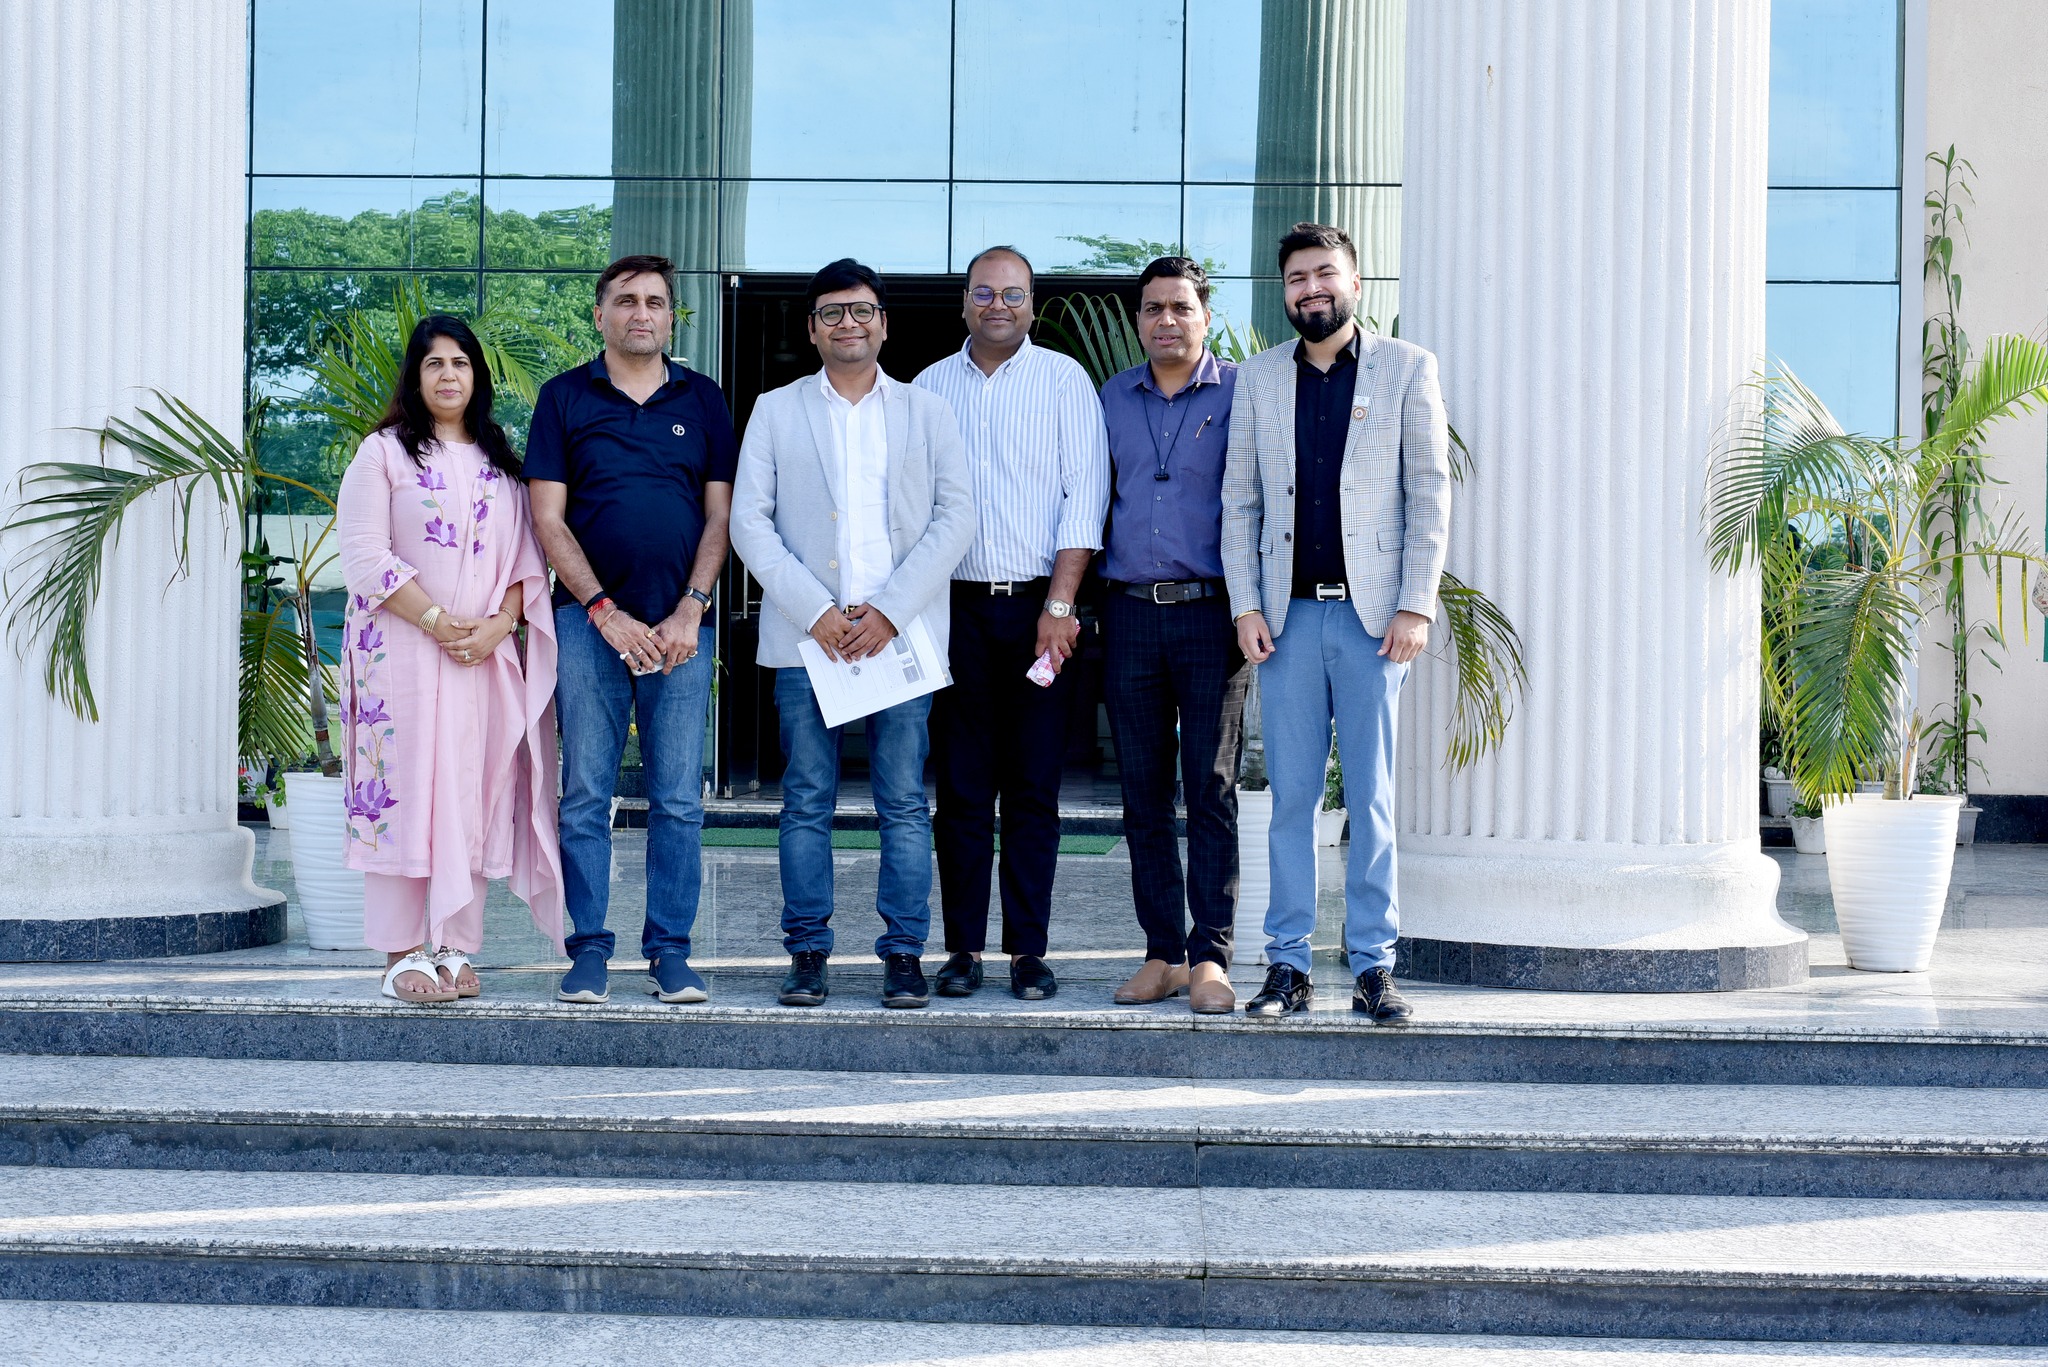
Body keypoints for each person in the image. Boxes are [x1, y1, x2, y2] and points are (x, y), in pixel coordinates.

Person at [730, 259, 977, 1010]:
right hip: (809, 641)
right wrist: (817, 611)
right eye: (832, 312)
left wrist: (891, 611)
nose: (849, 323)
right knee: (806, 799)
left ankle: (903, 953)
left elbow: (956, 517)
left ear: (884, 324)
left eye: (862, 311)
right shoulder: (775, 410)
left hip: (898, 640)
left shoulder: (927, 412)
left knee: (903, 802)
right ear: (812, 329)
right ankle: (807, 951)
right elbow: (749, 522)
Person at [1222, 222, 1451, 1024]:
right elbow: (1240, 501)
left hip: (1372, 621)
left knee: (1372, 800)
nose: (1311, 288)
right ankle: (1287, 966)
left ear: (1355, 283)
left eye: (1325, 274)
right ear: (1284, 292)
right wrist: (1245, 604)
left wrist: (1416, 603)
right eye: (1297, 278)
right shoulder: (1257, 378)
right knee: (1291, 799)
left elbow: (1429, 492)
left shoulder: (1407, 368)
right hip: (1285, 623)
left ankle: (1373, 967)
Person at [526, 254, 738, 1006]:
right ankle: (586, 948)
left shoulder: (703, 399)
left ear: (672, 316)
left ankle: (670, 952)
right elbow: (547, 519)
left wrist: (692, 607)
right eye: (625, 301)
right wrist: (604, 611)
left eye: (654, 301)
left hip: (682, 629)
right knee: (586, 793)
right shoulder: (563, 397)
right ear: (600, 315)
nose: (640, 313)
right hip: (589, 628)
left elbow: (720, 515)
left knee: (677, 798)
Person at [336, 315, 564, 1004]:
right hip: (401, 658)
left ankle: (453, 943)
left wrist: (500, 626)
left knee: (469, 791)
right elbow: (364, 556)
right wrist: (436, 620)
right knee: (405, 791)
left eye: (460, 362)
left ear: (477, 376)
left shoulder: (503, 466)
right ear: (415, 376)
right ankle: (401, 951)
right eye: (434, 363)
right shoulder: (383, 454)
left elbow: (528, 561)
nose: (448, 375)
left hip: (479, 661)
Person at [913, 246, 1111, 1001]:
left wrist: (1060, 606)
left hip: (1040, 611)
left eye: (1013, 294)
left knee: (1033, 789)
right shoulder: (929, 387)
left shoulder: (1065, 381)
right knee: (961, 790)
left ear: (1033, 304)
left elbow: (1084, 497)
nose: (999, 305)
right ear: (964, 301)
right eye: (985, 292)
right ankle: (962, 948)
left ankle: (1029, 950)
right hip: (953, 611)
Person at [1099, 258, 1245, 1015]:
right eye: (1153, 308)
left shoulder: (1241, 394)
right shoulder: (1110, 398)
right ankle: (1161, 953)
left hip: (1212, 612)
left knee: (1210, 788)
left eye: (1181, 307)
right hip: (1128, 611)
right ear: (1138, 320)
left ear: (1205, 316)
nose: (1167, 320)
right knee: (1143, 793)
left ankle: (1210, 955)